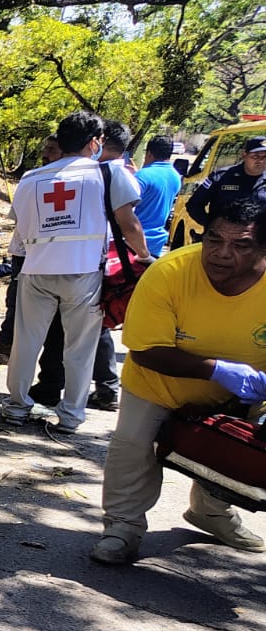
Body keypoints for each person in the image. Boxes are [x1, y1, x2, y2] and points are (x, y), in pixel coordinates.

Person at [92, 198, 266, 564]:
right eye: (214, 240)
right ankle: (122, 527)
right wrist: (220, 370)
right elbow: (145, 351)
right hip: (159, 383)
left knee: (241, 452)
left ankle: (212, 511)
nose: (221, 254)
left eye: (240, 245)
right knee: (133, 446)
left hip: (249, 395)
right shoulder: (169, 273)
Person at [3, 111, 150, 434]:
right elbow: (129, 224)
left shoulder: (30, 178)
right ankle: (70, 416)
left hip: (36, 269)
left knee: (26, 342)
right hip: (84, 273)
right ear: (94, 142)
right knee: (80, 348)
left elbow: (21, 225)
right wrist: (143, 255)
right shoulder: (108, 175)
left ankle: (16, 406)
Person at [29, 120, 139, 411]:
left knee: (92, 330)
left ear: (100, 143)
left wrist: (142, 255)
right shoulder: (96, 173)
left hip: (96, 263)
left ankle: (100, 389)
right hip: (87, 261)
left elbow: (127, 222)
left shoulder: (109, 173)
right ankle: (55, 385)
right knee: (68, 329)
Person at [0, 135, 64, 361]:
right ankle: (7, 342)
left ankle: (17, 350)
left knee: (26, 304)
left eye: (51, 149)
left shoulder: (53, 182)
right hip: (25, 252)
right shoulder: (33, 178)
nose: (45, 154)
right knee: (14, 300)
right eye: (45, 148)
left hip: (36, 255)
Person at [184, 136, 266, 232]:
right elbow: (194, 205)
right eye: (255, 156)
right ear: (244, 155)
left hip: (258, 242)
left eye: (265, 157)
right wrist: (211, 225)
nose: (261, 161)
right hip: (222, 239)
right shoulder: (221, 177)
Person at [134, 135, 182, 258]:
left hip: (135, 241)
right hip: (157, 243)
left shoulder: (142, 176)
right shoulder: (175, 176)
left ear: (149, 153)